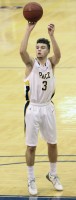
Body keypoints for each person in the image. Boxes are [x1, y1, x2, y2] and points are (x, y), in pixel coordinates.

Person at [20, 22, 63, 196]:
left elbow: (58, 55)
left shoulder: (51, 64)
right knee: (31, 147)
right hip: (33, 109)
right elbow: (22, 52)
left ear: (47, 50)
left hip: (48, 108)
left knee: (52, 143)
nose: (39, 50)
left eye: (42, 47)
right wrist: (28, 30)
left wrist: (52, 36)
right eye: (37, 47)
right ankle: (31, 178)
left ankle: (53, 174)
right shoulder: (31, 64)